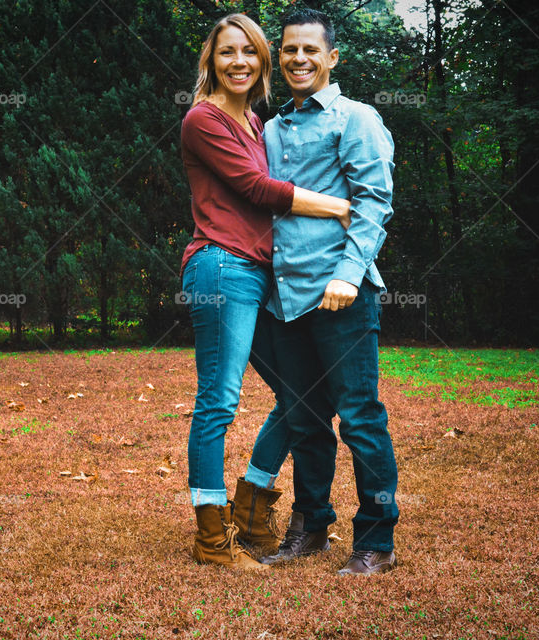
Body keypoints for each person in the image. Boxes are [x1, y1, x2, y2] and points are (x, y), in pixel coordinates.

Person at [179, 13, 353, 571]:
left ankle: (252, 506)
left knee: (304, 394)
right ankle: (211, 539)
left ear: (262, 62)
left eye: (249, 52)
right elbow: (258, 189)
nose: (239, 62)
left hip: (262, 274)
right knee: (219, 400)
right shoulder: (202, 119)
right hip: (221, 269)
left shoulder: (257, 122)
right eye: (227, 52)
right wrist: (339, 206)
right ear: (211, 61)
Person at [239, 8, 400, 576]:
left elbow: (374, 201)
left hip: (340, 296)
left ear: (333, 58)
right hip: (283, 299)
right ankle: (310, 527)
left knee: (359, 419)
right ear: (278, 58)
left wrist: (348, 275)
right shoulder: (272, 127)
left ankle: (377, 540)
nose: (298, 59)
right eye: (288, 50)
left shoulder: (356, 119)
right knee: (304, 419)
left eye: (311, 50)